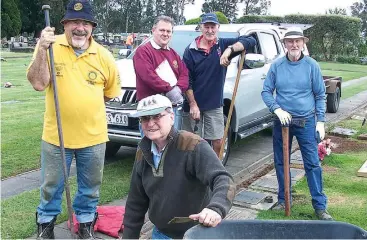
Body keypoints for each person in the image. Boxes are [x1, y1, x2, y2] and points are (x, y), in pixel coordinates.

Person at [26, 0, 121, 238]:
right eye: (74, 22)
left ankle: (86, 227)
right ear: (64, 24)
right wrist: (40, 47)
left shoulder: (104, 56)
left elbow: (109, 94)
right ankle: (45, 229)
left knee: (89, 190)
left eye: (85, 23)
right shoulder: (50, 46)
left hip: (93, 137)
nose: (80, 28)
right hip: (56, 137)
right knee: (51, 188)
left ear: (92, 28)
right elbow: (38, 83)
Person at [122, 94, 235, 239]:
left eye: (157, 116)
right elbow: (135, 203)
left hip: (197, 234)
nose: (150, 123)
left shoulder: (193, 146)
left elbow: (224, 180)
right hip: (161, 234)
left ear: (171, 117)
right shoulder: (142, 152)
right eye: (145, 118)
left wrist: (216, 209)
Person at [261, 28, 332, 220]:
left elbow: (320, 94)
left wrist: (321, 121)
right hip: (282, 122)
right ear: (284, 44)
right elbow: (266, 91)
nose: (294, 45)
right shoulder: (277, 66)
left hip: (306, 121)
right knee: (281, 162)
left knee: (312, 163)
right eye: (290, 41)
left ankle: (320, 206)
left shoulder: (312, 65)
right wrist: (277, 109)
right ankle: (284, 200)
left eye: (297, 41)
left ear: (303, 43)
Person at [182, 13, 256, 158]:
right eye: (206, 27)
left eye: (213, 27)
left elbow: (250, 40)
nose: (210, 30)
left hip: (214, 104)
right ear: (201, 28)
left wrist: (229, 50)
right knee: (191, 143)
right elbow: (186, 81)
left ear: (218, 28)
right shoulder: (189, 51)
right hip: (192, 105)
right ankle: (192, 175)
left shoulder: (222, 45)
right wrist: (193, 104)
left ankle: (214, 172)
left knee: (218, 142)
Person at [133, 16, 188, 130]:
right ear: (153, 30)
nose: (165, 34)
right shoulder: (143, 51)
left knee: (172, 144)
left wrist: (178, 89)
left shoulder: (173, 54)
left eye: (168, 31)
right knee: (150, 145)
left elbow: (184, 74)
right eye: (162, 30)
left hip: (170, 108)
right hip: (150, 109)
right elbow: (148, 76)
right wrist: (168, 89)